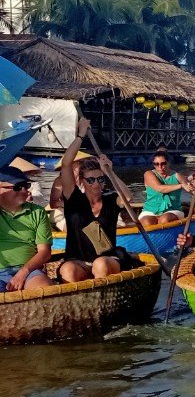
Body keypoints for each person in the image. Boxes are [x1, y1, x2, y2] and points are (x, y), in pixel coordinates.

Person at [56, 118, 143, 283]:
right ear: (81, 181)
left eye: (100, 179)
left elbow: (128, 197)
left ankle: (101, 298)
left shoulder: (111, 200)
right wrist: (81, 135)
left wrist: (109, 171)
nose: (96, 184)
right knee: (68, 270)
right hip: (78, 260)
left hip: (107, 259)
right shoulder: (74, 199)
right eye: (90, 180)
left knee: (100, 264)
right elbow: (66, 164)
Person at [0, 165, 52, 292]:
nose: (24, 191)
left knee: (44, 289)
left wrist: (24, 271)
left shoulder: (38, 212)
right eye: (17, 187)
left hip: (30, 270)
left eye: (26, 185)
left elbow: (44, 252)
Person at [139, 151, 188, 227]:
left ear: (168, 163)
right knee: (146, 222)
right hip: (150, 210)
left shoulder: (177, 176)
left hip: (173, 210)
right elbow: (160, 188)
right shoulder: (148, 174)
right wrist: (181, 185)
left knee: (164, 220)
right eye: (156, 164)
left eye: (163, 163)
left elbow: (193, 191)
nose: (160, 167)